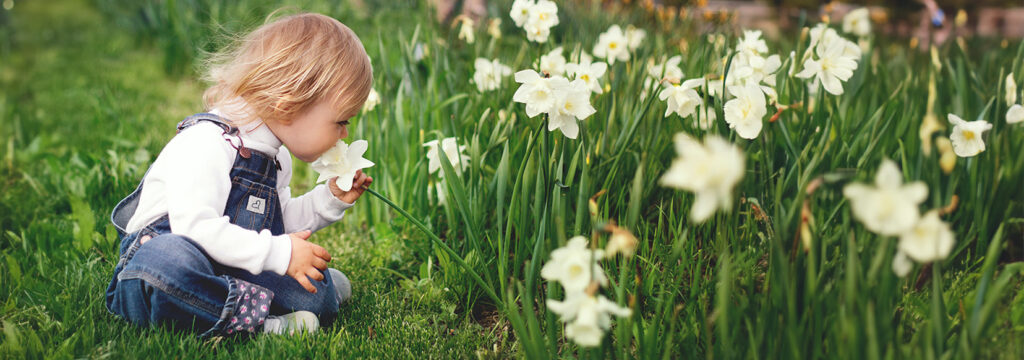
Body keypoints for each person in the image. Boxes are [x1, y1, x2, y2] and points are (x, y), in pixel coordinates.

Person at [104, 12, 374, 337]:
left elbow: (278, 223)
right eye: (341, 121)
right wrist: (279, 253)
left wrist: (329, 200)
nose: (344, 134)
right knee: (165, 267)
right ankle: (262, 324)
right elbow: (195, 228)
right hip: (170, 256)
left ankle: (238, 301)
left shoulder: (277, 157)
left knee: (316, 294)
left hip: (229, 261)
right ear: (289, 104)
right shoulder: (208, 142)